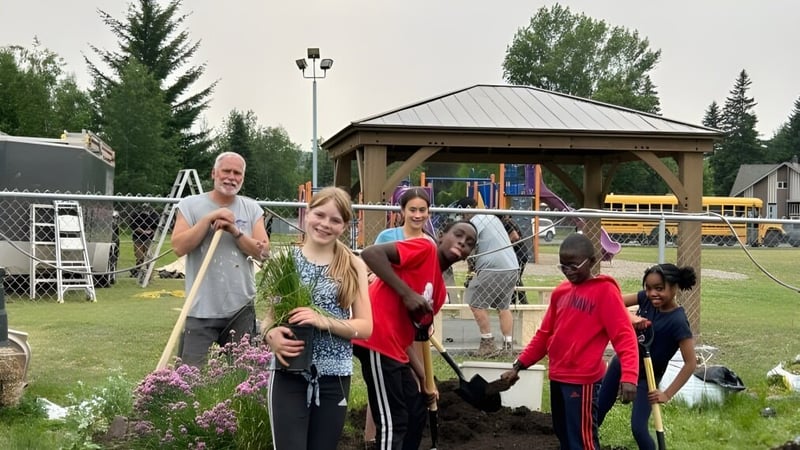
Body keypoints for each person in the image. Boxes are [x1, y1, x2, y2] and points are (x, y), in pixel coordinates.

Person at [500, 233, 639, 450]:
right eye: (563, 266)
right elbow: (544, 335)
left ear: (592, 262)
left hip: (583, 381)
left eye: (574, 266)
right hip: (558, 375)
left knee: (582, 441)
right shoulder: (560, 292)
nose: (568, 272)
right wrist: (518, 366)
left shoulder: (605, 292)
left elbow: (624, 336)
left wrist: (630, 375)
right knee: (564, 434)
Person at [264, 186, 373, 450]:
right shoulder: (286, 260)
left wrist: (324, 321)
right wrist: (271, 337)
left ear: (345, 226)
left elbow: (365, 326)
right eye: (320, 215)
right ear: (307, 214)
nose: (325, 224)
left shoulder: (352, 264)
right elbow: (269, 320)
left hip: (334, 377)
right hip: (289, 372)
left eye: (335, 220)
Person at [354, 220, 478, 450]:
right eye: (459, 235)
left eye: (469, 243)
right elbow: (371, 253)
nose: (463, 242)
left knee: (415, 413)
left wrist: (424, 379)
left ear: (467, 255)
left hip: (395, 349)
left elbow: (408, 338)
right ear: (441, 236)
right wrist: (407, 294)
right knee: (394, 420)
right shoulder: (425, 248)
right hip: (376, 339)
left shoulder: (439, 292)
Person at [171, 152, 270, 367]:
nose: (231, 177)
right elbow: (179, 247)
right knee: (188, 375)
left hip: (240, 307)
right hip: (200, 307)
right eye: (226, 171)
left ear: (242, 178)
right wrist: (208, 219)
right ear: (214, 173)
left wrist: (235, 231)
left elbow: (262, 251)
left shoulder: (251, 208)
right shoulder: (190, 205)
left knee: (246, 375)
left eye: (237, 173)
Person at [597, 263, 697, 450]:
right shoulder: (645, 300)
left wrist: (667, 394)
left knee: (639, 428)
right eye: (649, 288)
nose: (652, 293)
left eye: (659, 289)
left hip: (648, 378)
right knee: (597, 411)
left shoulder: (677, 321)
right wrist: (631, 318)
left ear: (674, 287)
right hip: (623, 364)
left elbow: (691, 363)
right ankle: (584, 444)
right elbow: (613, 302)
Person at [364, 187, 435, 449]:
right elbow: (372, 261)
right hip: (384, 320)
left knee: (406, 397)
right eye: (412, 210)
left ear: (429, 213)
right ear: (401, 211)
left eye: (422, 210)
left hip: (406, 325)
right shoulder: (389, 236)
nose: (417, 215)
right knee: (387, 403)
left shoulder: (429, 243)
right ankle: (372, 438)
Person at [455, 197, 519, 355]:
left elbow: (468, 245)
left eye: (462, 214)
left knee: (475, 302)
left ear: (467, 209)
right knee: (503, 307)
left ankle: (487, 342)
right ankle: (508, 346)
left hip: (493, 268)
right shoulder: (491, 217)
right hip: (512, 267)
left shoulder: (476, 221)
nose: (463, 218)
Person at [500, 214, 530, 304]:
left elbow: (515, 237)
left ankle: (523, 301)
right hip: (515, 255)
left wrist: (504, 243)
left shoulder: (507, 223)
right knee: (512, 278)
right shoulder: (509, 222)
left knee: (515, 278)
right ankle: (513, 301)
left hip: (519, 254)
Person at [129, 204, 159, 277]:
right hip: (138, 237)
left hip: (149, 238)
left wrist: (151, 232)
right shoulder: (135, 215)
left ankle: (149, 273)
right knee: (139, 255)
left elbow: (157, 227)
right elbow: (133, 227)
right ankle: (139, 271)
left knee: (149, 255)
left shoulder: (154, 215)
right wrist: (143, 231)